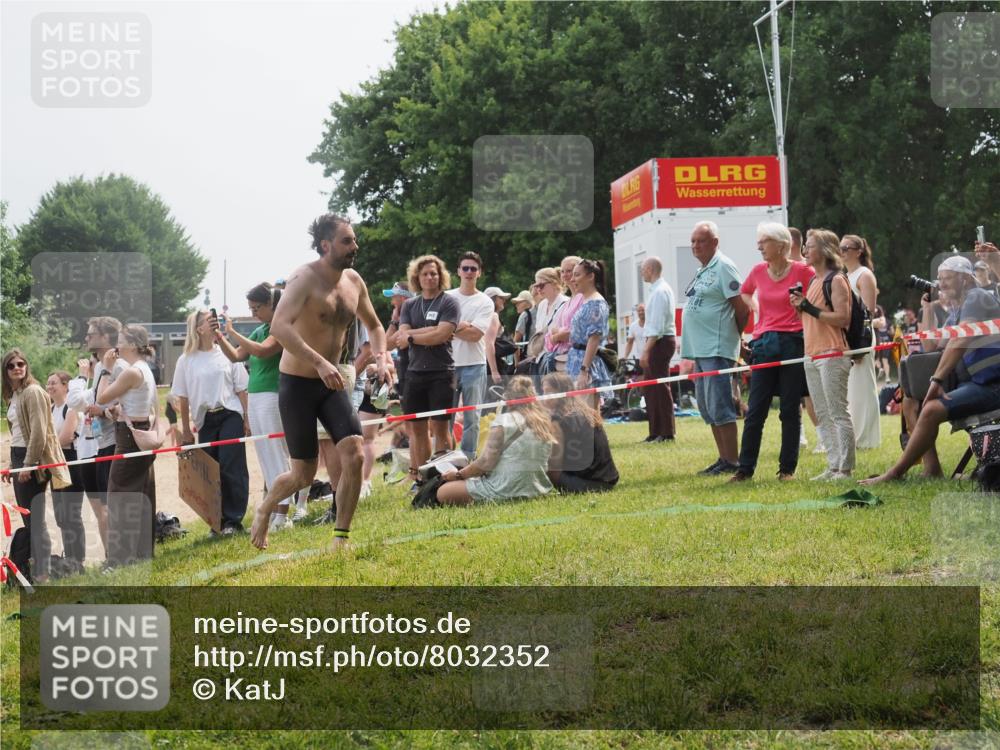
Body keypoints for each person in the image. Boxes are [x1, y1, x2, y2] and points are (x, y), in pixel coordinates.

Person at [250, 214, 388, 551]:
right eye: (347, 241)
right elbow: (279, 327)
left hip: (331, 382)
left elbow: (375, 326)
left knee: (354, 454)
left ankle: (341, 538)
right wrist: (319, 362)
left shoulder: (354, 281)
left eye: (354, 239)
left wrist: (382, 358)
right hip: (297, 383)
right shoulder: (303, 278)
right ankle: (266, 508)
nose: (355, 246)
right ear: (326, 245)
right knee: (303, 475)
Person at [863, 254, 1000, 484]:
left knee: (931, 408)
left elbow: (961, 339)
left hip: (991, 385)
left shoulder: (976, 297)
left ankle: (894, 474)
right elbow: (930, 346)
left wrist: (936, 380)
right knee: (910, 400)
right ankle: (932, 468)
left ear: (965, 279)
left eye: (947, 278)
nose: (941, 284)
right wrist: (927, 309)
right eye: (939, 278)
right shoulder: (957, 310)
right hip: (972, 383)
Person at [216, 282, 306, 532]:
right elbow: (236, 356)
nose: (254, 313)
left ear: (271, 305)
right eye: (251, 309)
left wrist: (232, 331)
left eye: (257, 308)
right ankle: (277, 511)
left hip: (272, 394)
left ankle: (283, 515)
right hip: (256, 395)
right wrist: (220, 337)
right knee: (266, 454)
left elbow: (263, 351)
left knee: (276, 454)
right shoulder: (260, 329)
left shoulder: (281, 328)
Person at [730, 223, 814, 482]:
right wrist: (755, 306)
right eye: (759, 242)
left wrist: (804, 308)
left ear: (781, 244)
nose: (759, 247)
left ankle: (787, 470)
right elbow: (744, 292)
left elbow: (817, 299)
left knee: (789, 409)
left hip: (793, 343)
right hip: (764, 344)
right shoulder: (758, 271)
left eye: (764, 241)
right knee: (755, 410)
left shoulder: (803, 271)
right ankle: (744, 470)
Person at [172, 310, 251, 536]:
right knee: (210, 472)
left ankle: (233, 521)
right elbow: (183, 398)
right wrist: (186, 430)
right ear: (198, 328)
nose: (215, 321)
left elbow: (241, 388)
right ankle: (216, 522)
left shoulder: (227, 353)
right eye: (209, 320)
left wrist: (247, 417)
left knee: (231, 466)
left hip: (230, 414)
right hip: (205, 420)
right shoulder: (185, 360)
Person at [682, 222, 751, 475]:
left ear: (715, 242)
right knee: (707, 407)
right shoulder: (704, 269)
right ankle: (723, 458)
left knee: (720, 405)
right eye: (692, 241)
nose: (695, 246)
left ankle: (732, 461)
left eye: (701, 241)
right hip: (700, 349)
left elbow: (742, 309)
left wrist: (736, 339)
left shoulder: (723, 266)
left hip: (717, 347)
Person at [790, 229, 855, 480]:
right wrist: (801, 308)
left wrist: (808, 307)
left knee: (838, 412)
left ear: (825, 250)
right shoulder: (813, 281)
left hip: (832, 353)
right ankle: (833, 465)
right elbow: (812, 320)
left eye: (810, 246)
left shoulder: (836, 280)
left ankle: (845, 469)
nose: (805, 250)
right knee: (823, 413)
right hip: (812, 354)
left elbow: (843, 318)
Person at [2, 350, 70, 583]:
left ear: (26, 366)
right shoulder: (14, 394)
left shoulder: (33, 391)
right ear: (5, 370)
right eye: (11, 365)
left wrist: (28, 464)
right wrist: (12, 464)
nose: (17, 368)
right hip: (19, 456)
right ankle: (37, 569)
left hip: (32, 458)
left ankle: (43, 574)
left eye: (21, 364)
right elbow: (18, 432)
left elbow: (39, 433)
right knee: (30, 518)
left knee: (35, 519)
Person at [436, 376, 556, 505]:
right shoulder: (544, 422)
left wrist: (458, 475)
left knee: (442, 492)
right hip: (537, 489)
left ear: (507, 399)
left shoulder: (503, 421)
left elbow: (486, 462)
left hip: (504, 488)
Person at [96, 325, 159, 567]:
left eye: (121, 340)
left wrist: (105, 369)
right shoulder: (145, 368)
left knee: (118, 495)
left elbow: (101, 398)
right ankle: (141, 553)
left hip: (129, 440)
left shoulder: (132, 372)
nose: (117, 345)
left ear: (132, 345)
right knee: (142, 493)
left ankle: (119, 559)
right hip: (140, 432)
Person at [398, 254, 460, 488]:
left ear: (441, 276)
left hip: (442, 372)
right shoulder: (409, 305)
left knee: (441, 428)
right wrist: (427, 332)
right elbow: (401, 337)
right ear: (417, 277)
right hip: (414, 373)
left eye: (434, 273)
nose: (430, 277)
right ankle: (424, 480)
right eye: (425, 273)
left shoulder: (449, 302)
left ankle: (444, 477)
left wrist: (412, 336)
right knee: (418, 430)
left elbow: (442, 335)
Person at [67, 315, 123, 555]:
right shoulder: (101, 367)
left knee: (113, 508)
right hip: (101, 445)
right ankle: (111, 558)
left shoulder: (118, 365)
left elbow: (123, 404)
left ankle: (120, 557)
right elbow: (84, 401)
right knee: (103, 508)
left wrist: (102, 411)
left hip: (117, 442)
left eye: (91, 334)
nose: (86, 337)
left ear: (105, 337)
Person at [447, 252, 494, 458]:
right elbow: (437, 328)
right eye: (465, 268)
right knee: (445, 418)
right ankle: (443, 458)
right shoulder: (446, 297)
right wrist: (464, 325)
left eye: (473, 269)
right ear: (458, 271)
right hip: (447, 365)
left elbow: (475, 336)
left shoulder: (485, 301)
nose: (468, 272)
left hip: (474, 365)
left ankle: (468, 459)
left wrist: (450, 327)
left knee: (472, 417)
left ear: (479, 273)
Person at [840, 234, 883, 449]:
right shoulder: (843, 276)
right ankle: (853, 436)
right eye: (840, 248)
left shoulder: (864, 275)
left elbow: (868, 313)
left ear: (858, 251)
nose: (842, 251)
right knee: (850, 389)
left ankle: (866, 439)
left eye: (846, 248)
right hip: (845, 337)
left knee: (863, 387)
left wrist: (858, 344)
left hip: (860, 337)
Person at [542, 372, 619, 493]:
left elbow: (555, 462)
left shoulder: (558, 419)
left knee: (548, 468)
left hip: (586, 482)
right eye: (543, 392)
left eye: (548, 391)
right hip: (608, 479)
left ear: (561, 392)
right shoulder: (586, 411)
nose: (544, 397)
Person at [46, 371, 86, 572]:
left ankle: (78, 559)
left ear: (65, 386)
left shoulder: (71, 409)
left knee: (72, 514)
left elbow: (66, 437)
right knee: (61, 516)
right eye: (48, 383)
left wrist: (46, 448)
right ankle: (69, 556)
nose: (50, 387)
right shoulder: (50, 409)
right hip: (55, 464)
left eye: (54, 383)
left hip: (71, 462)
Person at [639, 258, 677, 443]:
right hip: (656, 341)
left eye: (642, 269)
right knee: (651, 388)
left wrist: (646, 350)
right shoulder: (656, 290)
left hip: (659, 342)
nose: (641, 273)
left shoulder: (660, 292)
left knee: (659, 387)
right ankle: (655, 431)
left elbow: (657, 326)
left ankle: (666, 432)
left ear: (650, 269)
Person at [566, 260, 612, 400]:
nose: (572, 279)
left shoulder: (596, 304)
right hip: (575, 360)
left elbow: (594, 339)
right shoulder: (585, 300)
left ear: (591, 277)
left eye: (577, 275)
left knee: (587, 410)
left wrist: (584, 370)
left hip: (586, 365)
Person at [484, 286, 512, 385]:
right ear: (493, 299)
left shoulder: (485, 316)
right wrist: (494, 371)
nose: (504, 301)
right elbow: (489, 343)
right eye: (501, 298)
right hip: (492, 363)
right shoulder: (493, 316)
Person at [511, 290, 534, 366]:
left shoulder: (525, 315)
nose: (516, 305)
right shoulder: (542, 311)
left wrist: (517, 363)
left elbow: (515, 342)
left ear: (528, 303)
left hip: (528, 357)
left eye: (519, 302)